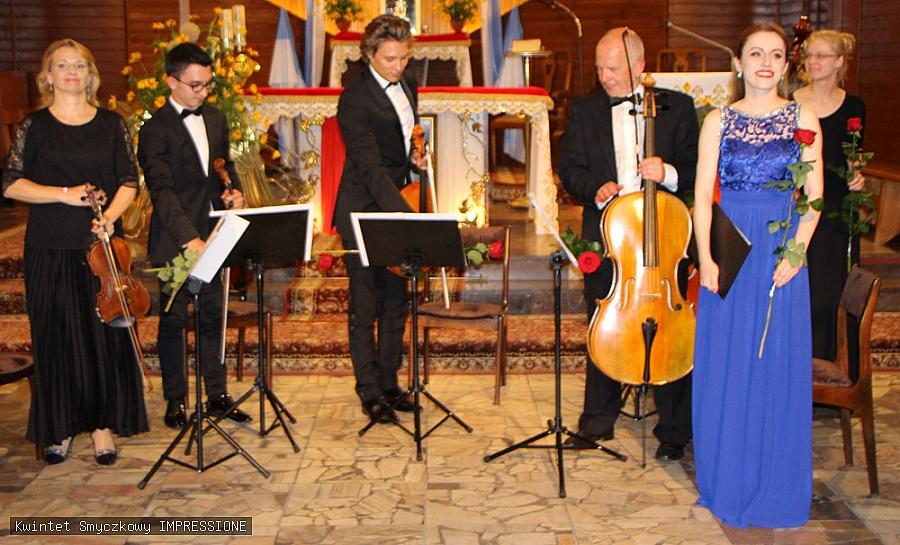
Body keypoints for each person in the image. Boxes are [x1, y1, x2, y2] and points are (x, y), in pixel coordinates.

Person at [692, 23, 823, 528]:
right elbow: (702, 198)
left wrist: (797, 251)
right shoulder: (717, 121)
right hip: (731, 252)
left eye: (775, 55)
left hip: (780, 254)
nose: (765, 62)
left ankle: (775, 482)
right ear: (739, 63)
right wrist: (706, 258)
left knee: (774, 365)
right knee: (728, 364)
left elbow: (814, 198)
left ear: (786, 66)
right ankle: (729, 478)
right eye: (755, 53)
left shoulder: (803, 117)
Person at [1, 39, 148, 465]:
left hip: (98, 248)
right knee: (56, 338)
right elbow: (11, 184)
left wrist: (110, 218)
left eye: (79, 65)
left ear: (90, 75)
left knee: (102, 340)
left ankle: (102, 428)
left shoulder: (111, 124)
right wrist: (63, 194)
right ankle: (60, 427)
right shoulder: (34, 126)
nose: (71, 72)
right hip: (49, 247)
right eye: (62, 65)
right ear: (47, 76)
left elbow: (129, 180)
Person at [557, 27, 698, 461]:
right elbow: (569, 167)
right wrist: (595, 188)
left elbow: (697, 167)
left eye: (613, 68)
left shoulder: (677, 107)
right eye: (600, 68)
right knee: (605, 323)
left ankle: (674, 429)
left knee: (672, 330)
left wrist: (667, 173)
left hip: (666, 238)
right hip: (608, 236)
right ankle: (596, 421)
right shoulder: (584, 111)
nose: (604, 77)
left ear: (639, 66)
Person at [138, 42, 250, 428]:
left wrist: (234, 191)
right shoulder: (154, 130)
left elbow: (224, 166)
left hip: (213, 232)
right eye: (195, 85)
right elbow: (162, 192)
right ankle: (175, 399)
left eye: (207, 85)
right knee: (173, 321)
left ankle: (217, 394)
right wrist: (190, 240)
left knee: (213, 316)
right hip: (176, 238)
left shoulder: (216, 119)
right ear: (172, 82)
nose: (203, 93)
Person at [332, 14, 426, 423]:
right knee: (365, 304)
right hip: (364, 208)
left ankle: (389, 383)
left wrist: (416, 160)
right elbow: (370, 168)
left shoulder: (409, 85)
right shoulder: (353, 99)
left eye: (403, 58)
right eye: (390, 59)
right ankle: (368, 390)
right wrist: (407, 218)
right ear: (369, 54)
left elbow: (401, 146)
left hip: (397, 200)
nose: (398, 66)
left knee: (395, 300)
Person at [793, 30, 866, 364]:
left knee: (833, 290)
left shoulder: (854, 107)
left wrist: (858, 176)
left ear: (839, 61)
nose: (813, 61)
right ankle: (800, 364)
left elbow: (853, 157)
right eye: (809, 55)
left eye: (821, 55)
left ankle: (834, 365)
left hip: (836, 209)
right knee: (803, 290)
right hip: (800, 206)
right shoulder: (791, 101)